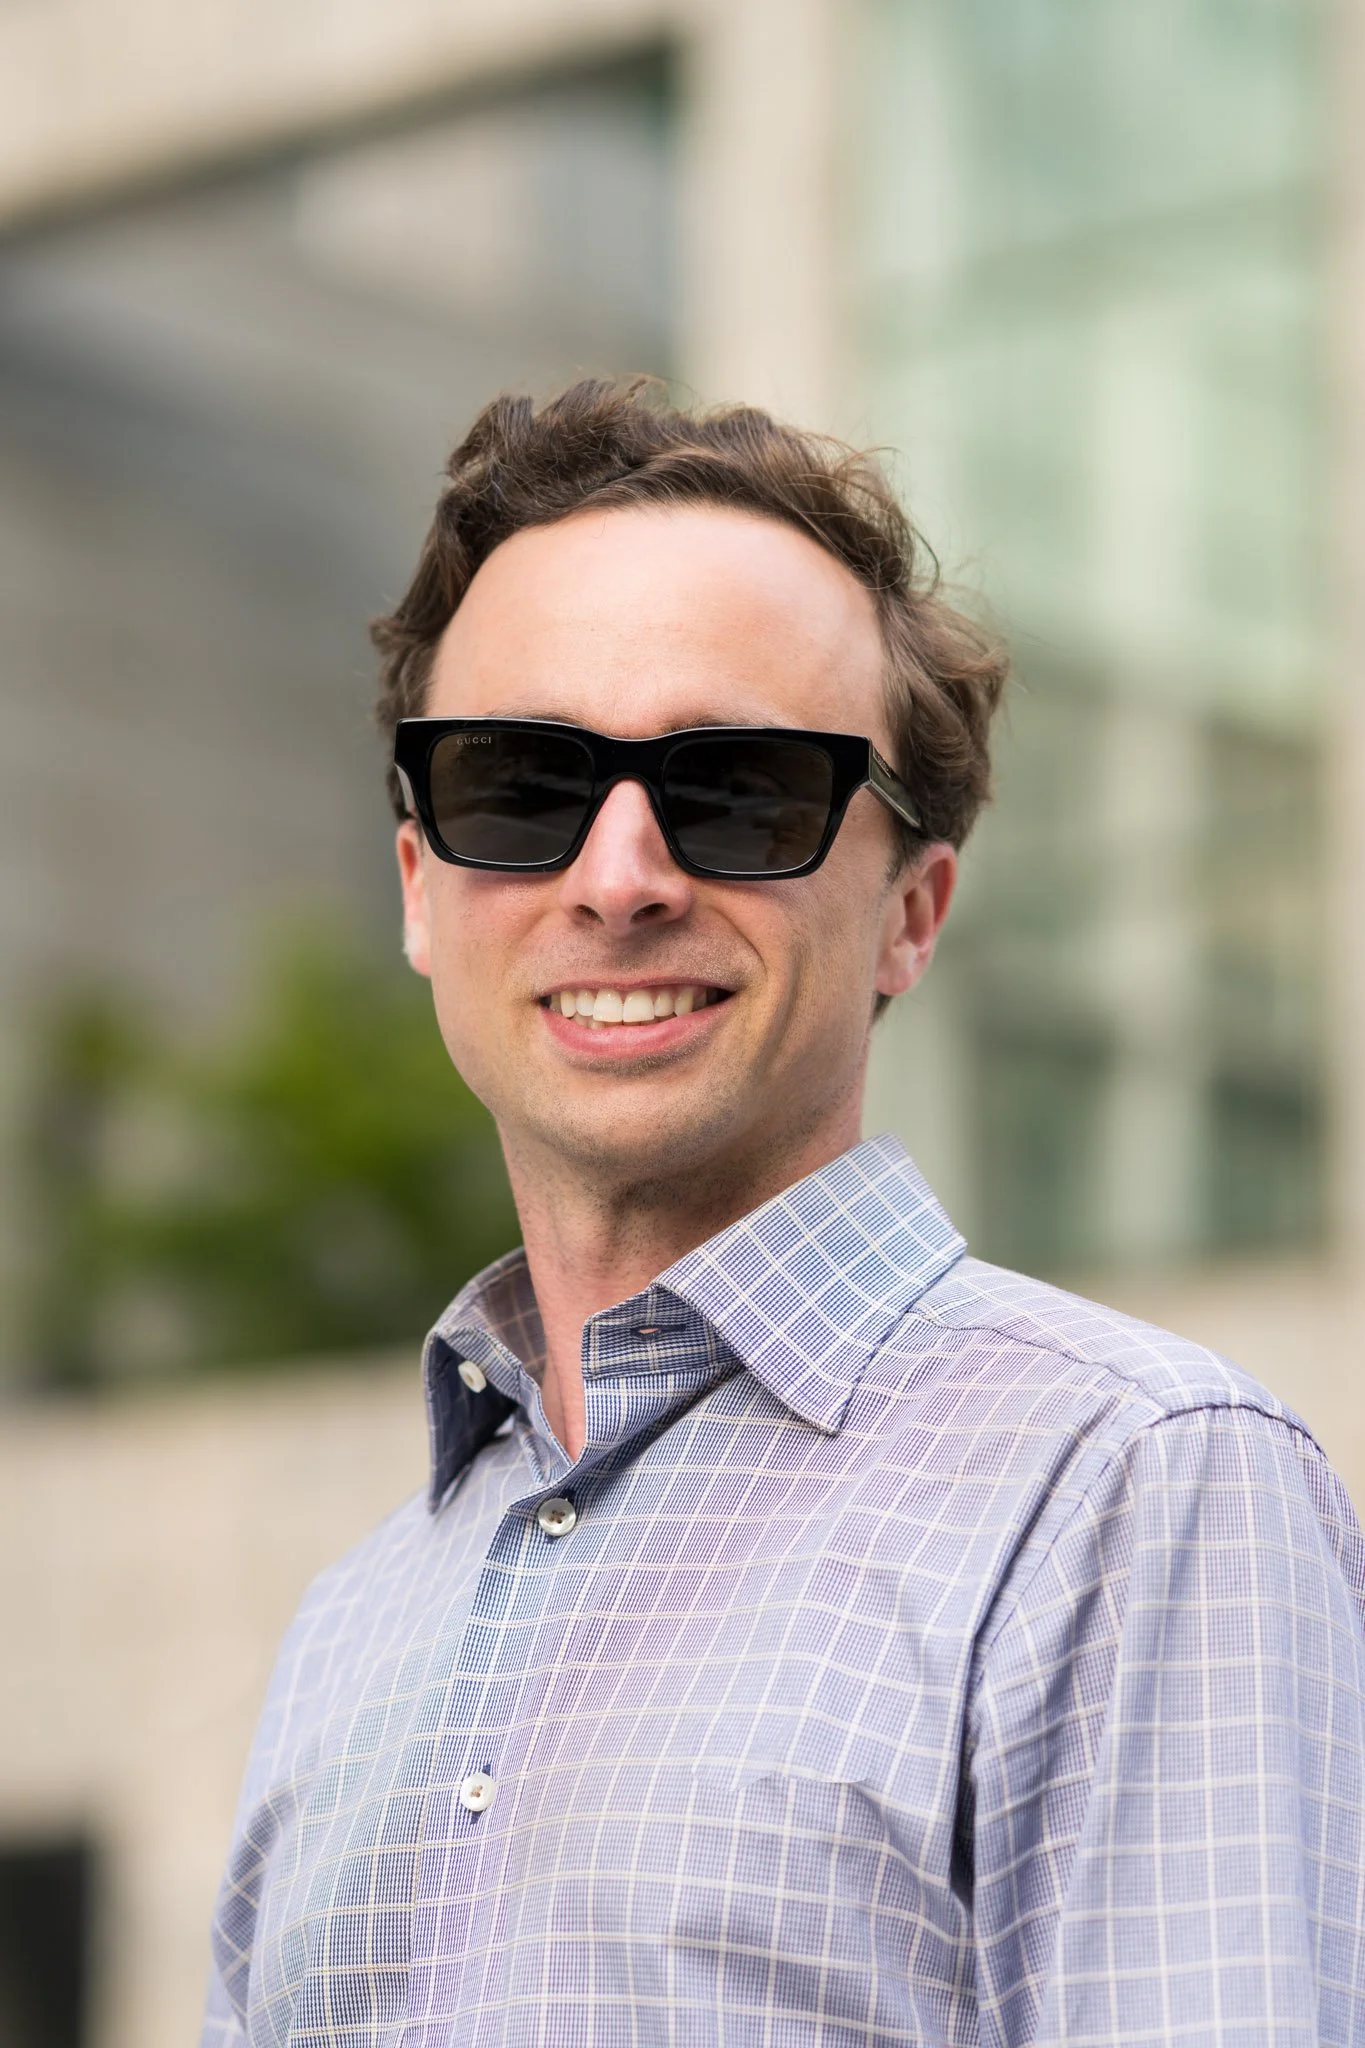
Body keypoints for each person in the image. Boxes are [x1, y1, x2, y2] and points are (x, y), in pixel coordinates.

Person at [203, 381, 1365, 2047]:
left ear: (913, 913)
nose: (618, 877)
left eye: (738, 789)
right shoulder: (352, 1624)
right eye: (521, 788)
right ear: (418, 891)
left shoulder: (1136, 1489)